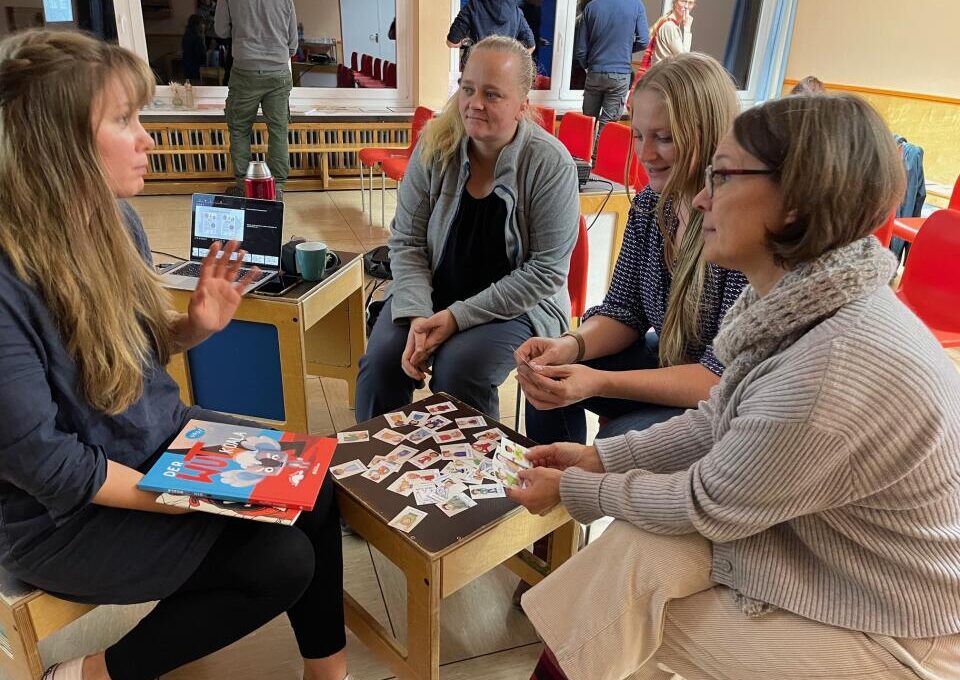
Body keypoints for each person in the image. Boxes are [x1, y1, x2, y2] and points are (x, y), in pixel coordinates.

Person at [513, 93, 960, 680]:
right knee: (632, 560)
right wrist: (598, 458)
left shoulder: (830, 366)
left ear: (796, 203)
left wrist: (574, 488)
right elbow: (716, 419)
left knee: (626, 614)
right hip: (833, 556)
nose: (700, 197)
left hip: (901, 626)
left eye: (721, 176)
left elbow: (704, 502)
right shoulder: (803, 301)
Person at [0, 30, 348, 680]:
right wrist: (183, 495)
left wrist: (190, 327)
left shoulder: (115, 221)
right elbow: (52, 469)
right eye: (125, 120)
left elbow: (119, 357)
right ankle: (91, 674)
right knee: (277, 561)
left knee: (316, 487)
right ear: (58, 142)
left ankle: (329, 675)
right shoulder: (8, 279)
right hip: (62, 517)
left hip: (155, 442)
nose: (148, 138)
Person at [517, 53, 747, 447]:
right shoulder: (649, 205)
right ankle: (554, 488)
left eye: (665, 138)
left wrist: (600, 381)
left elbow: (718, 377)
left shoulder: (741, 226)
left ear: (709, 134)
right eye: (638, 135)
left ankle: (574, 484)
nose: (644, 153)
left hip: (728, 400)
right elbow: (624, 310)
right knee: (549, 375)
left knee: (620, 442)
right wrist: (569, 346)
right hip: (676, 362)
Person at [355, 35, 579, 423]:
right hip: (435, 293)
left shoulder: (549, 164)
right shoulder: (435, 145)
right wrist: (415, 316)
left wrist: (457, 318)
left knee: (461, 368)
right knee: (382, 362)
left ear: (522, 105)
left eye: (492, 94)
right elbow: (407, 243)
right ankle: (371, 474)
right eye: (468, 88)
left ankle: (472, 479)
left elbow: (545, 272)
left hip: (519, 308)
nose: (474, 103)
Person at [215, 0, 297, 199]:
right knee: (278, 129)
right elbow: (293, 43)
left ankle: (244, 187)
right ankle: (276, 188)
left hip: (245, 69)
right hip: (278, 70)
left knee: (240, 128)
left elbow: (221, 30)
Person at [573, 0, 649, 154]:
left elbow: (580, 49)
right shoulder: (636, 5)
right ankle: (596, 163)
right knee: (607, 124)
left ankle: (581, 161)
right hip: (619, 75)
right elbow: (643, 41)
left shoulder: (592, 6)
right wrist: (625, 50)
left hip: (594, 71)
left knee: (588, 120)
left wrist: (588, 66)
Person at [447, 0, 537, 58]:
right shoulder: (516, 12)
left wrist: (466, 42)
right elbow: (531, 46)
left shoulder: (473, 6)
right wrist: (512, 62)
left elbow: (452, 42)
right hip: (503, 73)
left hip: (477, 70)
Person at [181, 14, 206, 83]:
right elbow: (201, 56)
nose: (203, 26)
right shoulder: (197, 37)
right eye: (202, 23)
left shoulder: (186, 35)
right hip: (195, 68)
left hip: (186, 66)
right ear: (197, 24)